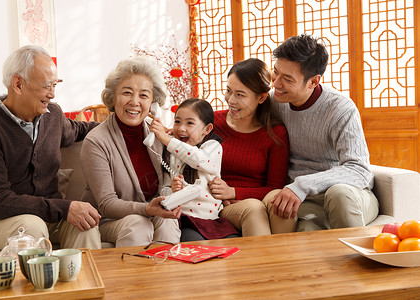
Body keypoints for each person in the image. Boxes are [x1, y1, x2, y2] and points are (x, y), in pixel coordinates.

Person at [0, 45, 101, 250]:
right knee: (31, 227)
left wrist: (122, 125)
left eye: (55, 85)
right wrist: (64, 208)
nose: (52, 94)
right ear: (18, 84)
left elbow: (81, 129)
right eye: (47, 86)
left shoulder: (53, 116)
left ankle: (85, 282)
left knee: (86, 224)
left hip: (46, 214)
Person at [269, 34, 379, 231]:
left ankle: (361, 259)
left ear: (313, 82)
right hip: (306, 201)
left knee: (338, 195)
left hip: (349, 195)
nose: (276, 84)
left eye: (287, 79)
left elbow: (359, 169)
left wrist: (302, 185)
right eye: (275, 73)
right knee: (307, 235)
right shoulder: (274, 101)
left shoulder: (340, 108)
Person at [80, 57, 181, 247]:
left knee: (168, 221)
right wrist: (147, 210)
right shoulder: (96, 141)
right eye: (127, 93)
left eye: (143, 95)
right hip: (108, 220)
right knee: (138, 224)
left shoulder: (156, 133)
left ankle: (168, 275)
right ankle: (134, 277)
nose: (134, 102)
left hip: (150, 213)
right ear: (112, 97)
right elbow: (107, 204)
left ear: (153, 103)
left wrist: (174, 193)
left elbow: (165, 184)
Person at [208, 58, 294, 236]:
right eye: (228, 91)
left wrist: (233, 192)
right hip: (222, 204)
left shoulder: (276, 133)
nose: (230, 100)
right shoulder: (212, 122)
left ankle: (285, 260)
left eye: (240, 94)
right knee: (253, 209)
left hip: (252, 199)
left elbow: (274, 187)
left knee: (281, 201)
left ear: (261, 97)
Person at [149, 98, 239, 241]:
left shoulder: (213, 147)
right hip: (185, 220)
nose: (181, 128)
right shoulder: (171, 153)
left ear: (207, 129)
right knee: (196, 245)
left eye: (190, 123)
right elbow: (163, 190)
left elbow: (198, 159)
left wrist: (166, 139)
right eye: (177, 122)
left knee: (232, 244)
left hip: (211, 220)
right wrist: (172, 190)